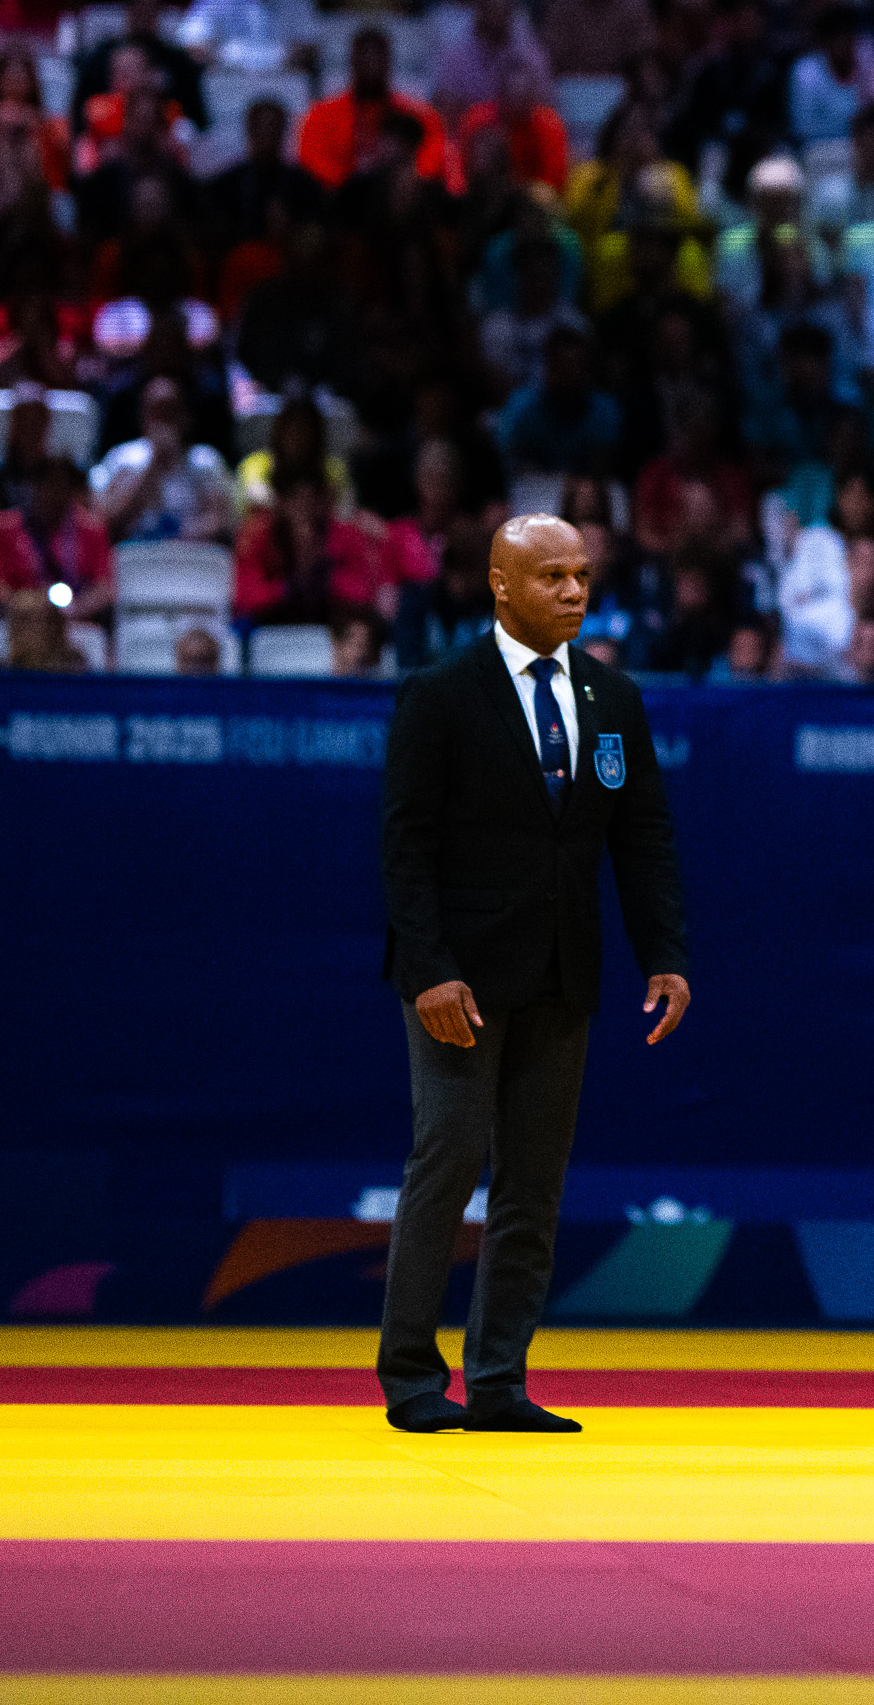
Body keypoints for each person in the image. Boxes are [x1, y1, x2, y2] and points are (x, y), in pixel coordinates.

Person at [374, 513, 694, 1434]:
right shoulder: (441, 692)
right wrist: (429, 971)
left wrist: (665, 955)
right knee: (447, 1159)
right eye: (552, 575)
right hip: (459, 980)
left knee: (534, 1183)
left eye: (582, 574)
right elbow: (405, 845)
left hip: (562, 969)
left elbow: (643, 838)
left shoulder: (612, 696)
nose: (574, 591)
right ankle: (411, 1376)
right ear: (501, 584)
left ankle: (500, 1379)